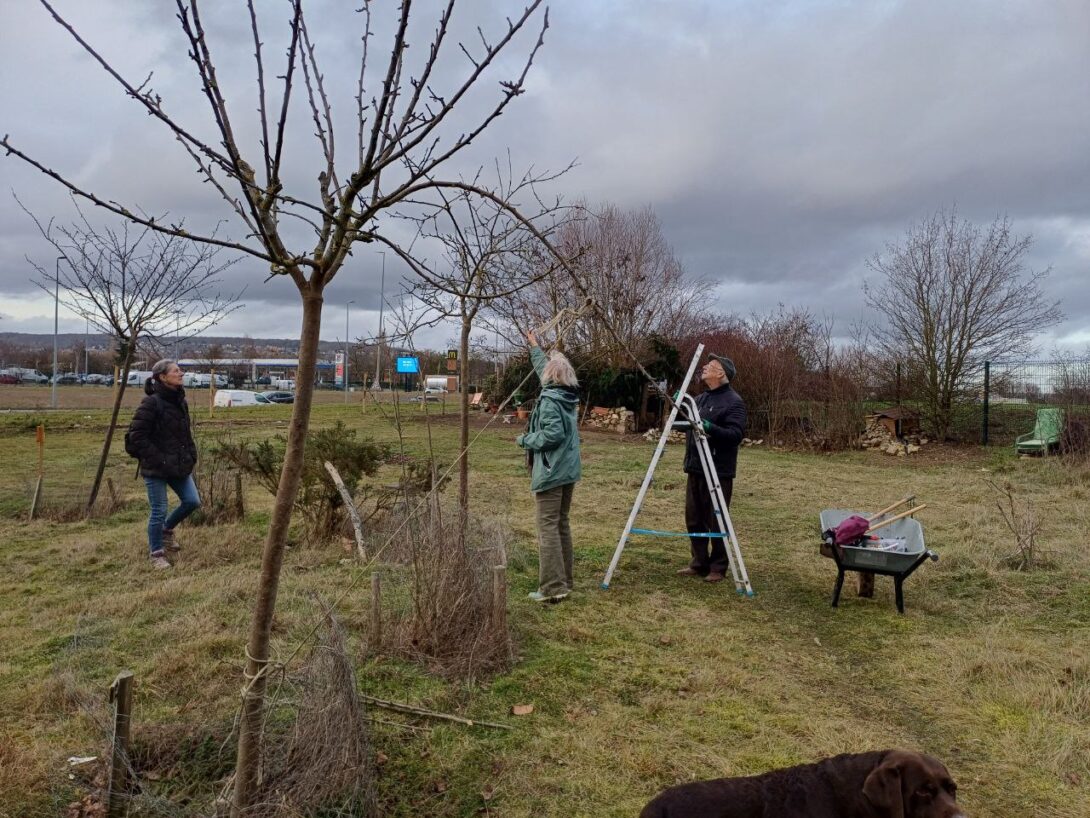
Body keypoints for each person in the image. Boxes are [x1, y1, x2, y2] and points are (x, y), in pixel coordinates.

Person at [516, 330, 582, 603]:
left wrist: (525, 439)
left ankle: (553, 587)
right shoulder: (565, 394)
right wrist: (534, 345)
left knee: (547, 528)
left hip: (552, 471)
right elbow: (543, 367)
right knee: (561, 524)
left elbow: (551, 436)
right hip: (567, 470)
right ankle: (564, 580)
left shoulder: (549, 402)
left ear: (551, 377)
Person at [126, 359, 201, 569]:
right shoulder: (151, 403)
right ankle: (156, 553)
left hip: (178, 465)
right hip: (156, 467)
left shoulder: (181, 402)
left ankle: (166, 531)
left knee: (192, 501)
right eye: (176, 371)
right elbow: (137, 436)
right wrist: (159, 458)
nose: (181, 374)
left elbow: (184, 434)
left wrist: (191, 454)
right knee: (159, 509)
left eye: (180, 370)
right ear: (162, 377)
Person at [678, 353, 746, 583]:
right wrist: (679, 406)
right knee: (694, 518)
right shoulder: (700, 399)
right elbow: (682, 426)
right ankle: (698, 562)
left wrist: (710, 428)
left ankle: (718, 566)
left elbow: (735, 435)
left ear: (722, 374)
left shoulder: (734, 402)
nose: (705, 367)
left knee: (717, 519)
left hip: (717, 470)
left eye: (711, 366)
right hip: (696, 467)